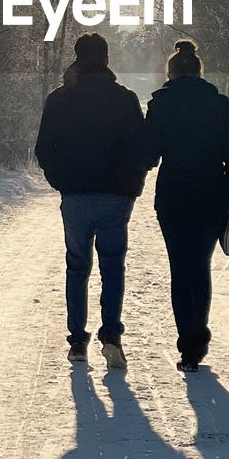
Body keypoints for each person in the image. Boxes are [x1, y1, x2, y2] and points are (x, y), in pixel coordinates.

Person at [34, 32, 146, 368]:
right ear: (107, 60)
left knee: (77, 266)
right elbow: (140, 149)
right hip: (115, 196)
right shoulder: (125, 99)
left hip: (76, 195)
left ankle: (77, 342)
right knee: (113, 266)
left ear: (77, 59)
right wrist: (132, 185)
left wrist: (61, 181)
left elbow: (43, 150)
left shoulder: (58, 100)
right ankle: (111, 336)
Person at [139, 39, 229, 372]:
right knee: (200, 267)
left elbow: (148, 155)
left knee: (180, 269)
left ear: (170, 72)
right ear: (199, 72)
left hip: (173, 197)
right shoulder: (218, 103)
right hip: (211, 195)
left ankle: (189, 345)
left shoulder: (161, 105)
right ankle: (198, 340)